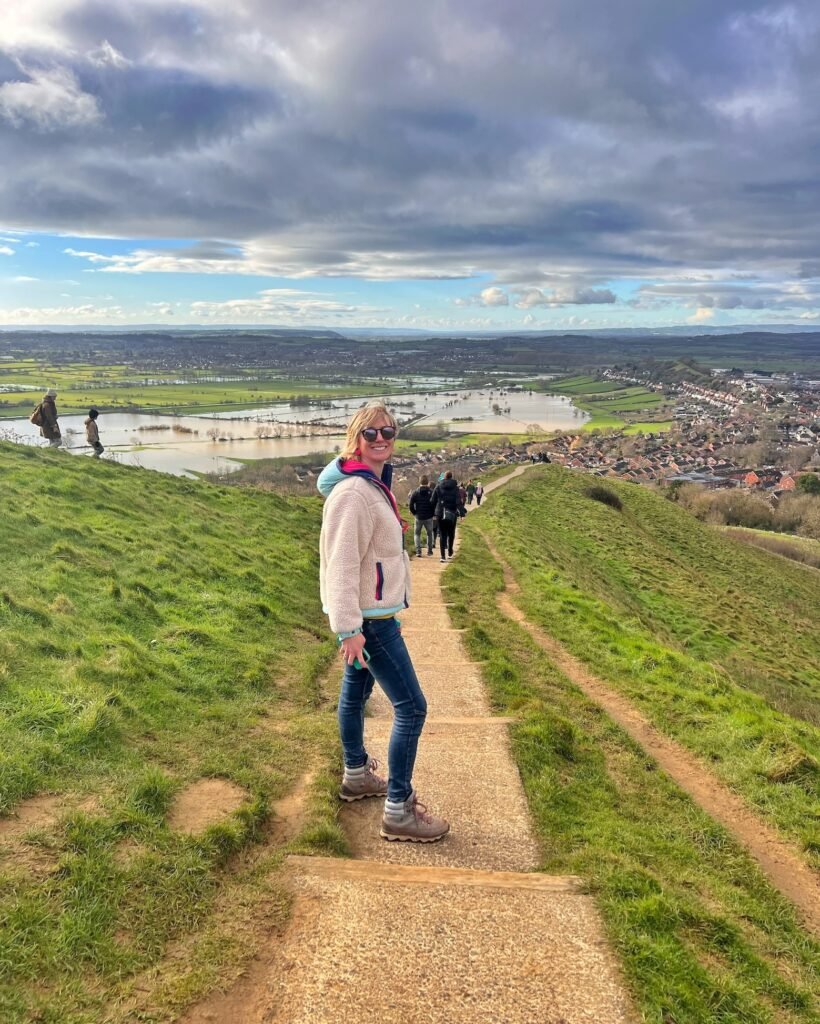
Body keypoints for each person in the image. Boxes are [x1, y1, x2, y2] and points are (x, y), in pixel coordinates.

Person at [317, 401, 449, 843]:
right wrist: (349, 629)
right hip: (371, 624)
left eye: (388, 433)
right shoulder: (353, 494)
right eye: (371, 433)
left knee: (355, 692)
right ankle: (399, 808)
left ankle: (356, 774)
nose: (381, 440)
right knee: (412, 708)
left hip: (372, 616)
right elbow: (340, 564)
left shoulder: (370, 483)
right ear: (355, 437)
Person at [431, 470, 465, 562]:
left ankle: (442, 556)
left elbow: (433, 501)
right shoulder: (455, 488)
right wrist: (462, 513)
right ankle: (450, 551)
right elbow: (458, 501)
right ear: (451, 477)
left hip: (440, 513)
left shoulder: (438, 486)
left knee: (442, 535)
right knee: (451, 533)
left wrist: (432, 513)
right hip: (452, 513)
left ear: (444, 477)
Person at [408, 475, 436, 557]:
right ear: (427, 482)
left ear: (419, 482)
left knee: (417, 534)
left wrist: (415, 513)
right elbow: (434, 504)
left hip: (419, 517)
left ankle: (418, 551)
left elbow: (410, 505)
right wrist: (433, 513)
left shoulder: (415, 492)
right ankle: (429, 551)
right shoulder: (431, 492)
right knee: (429, 534)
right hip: (429, 517)